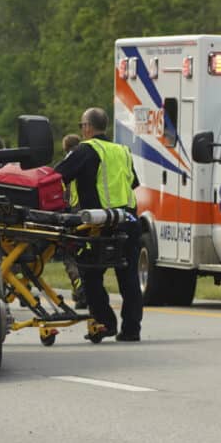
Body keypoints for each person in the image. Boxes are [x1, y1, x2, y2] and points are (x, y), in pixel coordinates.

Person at [55, 107, 144, 342]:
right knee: (129, 277)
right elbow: (133, 183)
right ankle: (132, 329)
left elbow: (58, 175)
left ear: (87, 127)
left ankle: (105, 323)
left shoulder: (87, 150)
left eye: (81, 125)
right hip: (128, 219)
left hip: (99, 224)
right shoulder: (122, 151)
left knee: (90, 274)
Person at [59, 133, 86, 310]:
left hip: (73, 214)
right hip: (90, 212)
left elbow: (62, 190)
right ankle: (84, 290)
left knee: (69, 255)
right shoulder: (87, 158)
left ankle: (80, 290)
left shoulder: (68, 164)